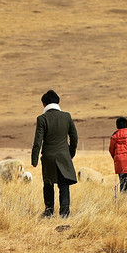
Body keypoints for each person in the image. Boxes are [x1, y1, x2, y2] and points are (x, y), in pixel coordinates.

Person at [32, 90, 78, 218]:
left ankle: (49, 211)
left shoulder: (42, 119)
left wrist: (34, 160)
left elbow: (37, 141)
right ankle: (64, 213)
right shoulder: (67, 116)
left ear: (44, 103)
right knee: (64, 184)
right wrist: (71, 153)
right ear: (58, 102)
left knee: (48, 183)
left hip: (48, 157)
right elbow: (74, 138)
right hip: (64, 155)